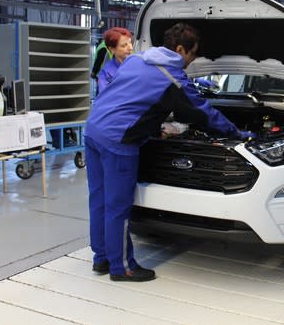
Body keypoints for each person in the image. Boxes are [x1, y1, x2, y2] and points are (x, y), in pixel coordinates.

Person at [84, 22, 254, 282]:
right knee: (118, 207)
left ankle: (102, 258)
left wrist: (153, 122)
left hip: (93, 129)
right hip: (118, 140)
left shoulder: (136, 59)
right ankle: (122, 268)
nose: (193, 60)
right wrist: (236, 133)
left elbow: (128, 96)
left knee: (99, 201)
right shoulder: (173, 77)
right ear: (180, 49)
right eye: (193, 54)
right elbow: (202, 112)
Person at [96, 27, 133, 93]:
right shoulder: (106, 73)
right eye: (124, 45)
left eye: (130, 43)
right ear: (112, 49)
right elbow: (105, 97)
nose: (130, 48)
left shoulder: (137, 64)